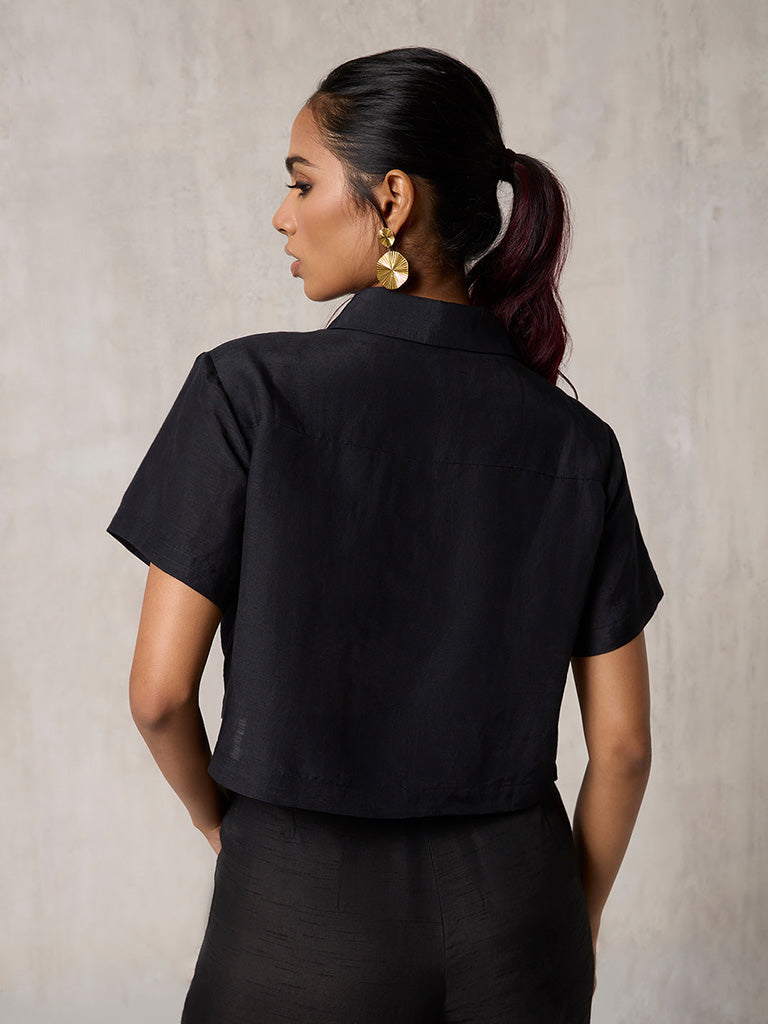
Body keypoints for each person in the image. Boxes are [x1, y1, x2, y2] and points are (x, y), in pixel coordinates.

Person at [106, 47, 664, 1024]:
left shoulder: (247, 393)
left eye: (301, 182)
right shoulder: (578, 445)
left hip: (297, 921)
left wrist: (225, 831)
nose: (283, 215)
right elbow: (621, 748)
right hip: (519, 929)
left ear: (392, 199)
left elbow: (159, 696)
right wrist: (565, 923)